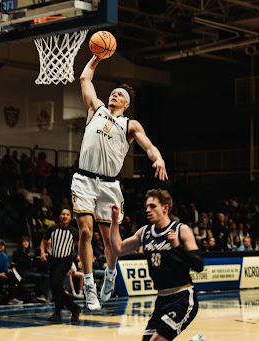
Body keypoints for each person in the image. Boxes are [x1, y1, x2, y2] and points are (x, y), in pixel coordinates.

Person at [73, 56, 168, 311]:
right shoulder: (95, 109)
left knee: (109, 241)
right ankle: (89, 287)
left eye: (119, 94)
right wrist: (96, 57)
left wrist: (158, 158)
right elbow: (85, 78)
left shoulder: (130, 125)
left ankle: (111, 274)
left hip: (109, 185)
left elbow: (148, 146)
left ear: (126, 103)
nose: (113, 95)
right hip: (83, 178)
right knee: (84, 232)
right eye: (113, 92)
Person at [109, 189, 204, 341]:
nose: (148, 210)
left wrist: (178, 247)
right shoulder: (144, 232)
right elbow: (118, 249)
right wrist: (114, 221)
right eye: (147, 206)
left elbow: (199, 265)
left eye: (153, 206)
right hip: (161, 299)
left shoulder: (181, 230)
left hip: (182, 298)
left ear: (165, 208)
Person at [40, 208, 82, 323]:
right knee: (55, 288)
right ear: (60, 216)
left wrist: (81, 259)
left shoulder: (74, 231)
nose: (65, 216)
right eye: (63, 214)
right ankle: (62, 311)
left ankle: (70, 309)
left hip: (65, 261)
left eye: (67, 214)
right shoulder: (52, 229)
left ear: (70, 217)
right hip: (54, 260)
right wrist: (42, 252)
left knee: (56, 284)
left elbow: (80, 246)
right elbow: (43, 241)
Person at [11, 236, 49, 303]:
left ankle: (43, 295)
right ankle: (38, 294)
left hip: (30, 271)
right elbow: (14, 264)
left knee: (46, 276)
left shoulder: (28, 253)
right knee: (38, 277)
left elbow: (33, 263)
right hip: (22, 271)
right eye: (24, 241)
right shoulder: (17, 253)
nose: (26, 243)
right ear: (21, 243)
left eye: (27, 241)